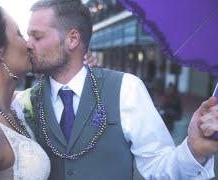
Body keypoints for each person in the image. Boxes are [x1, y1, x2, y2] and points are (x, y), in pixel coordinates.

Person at [12, 0, 218, 179]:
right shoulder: (23, 103)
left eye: (37, 37)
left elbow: (159, 168)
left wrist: (193, 149)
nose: (28, 45)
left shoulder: (126, 89)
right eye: (28, 36)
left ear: (72, 39)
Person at [0, 1, 96, 179]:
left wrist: (74, 64)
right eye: (19, 34)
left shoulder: (7, 103)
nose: (28, 44)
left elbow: (49, 92)